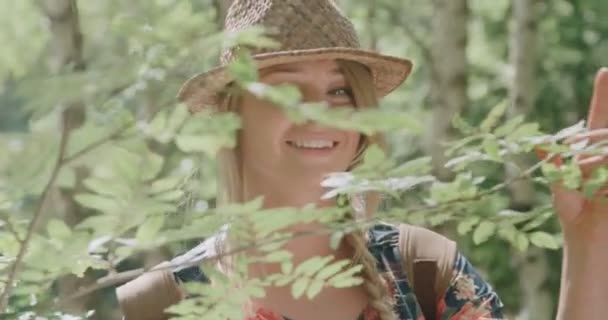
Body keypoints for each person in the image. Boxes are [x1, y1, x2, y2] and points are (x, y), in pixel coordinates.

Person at [142, 0, 608, 319]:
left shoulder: (425, 269)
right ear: (231, 116)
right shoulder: (158, 303)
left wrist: (587, 240)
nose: (319, 111)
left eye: (340, 90)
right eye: (285, 88)